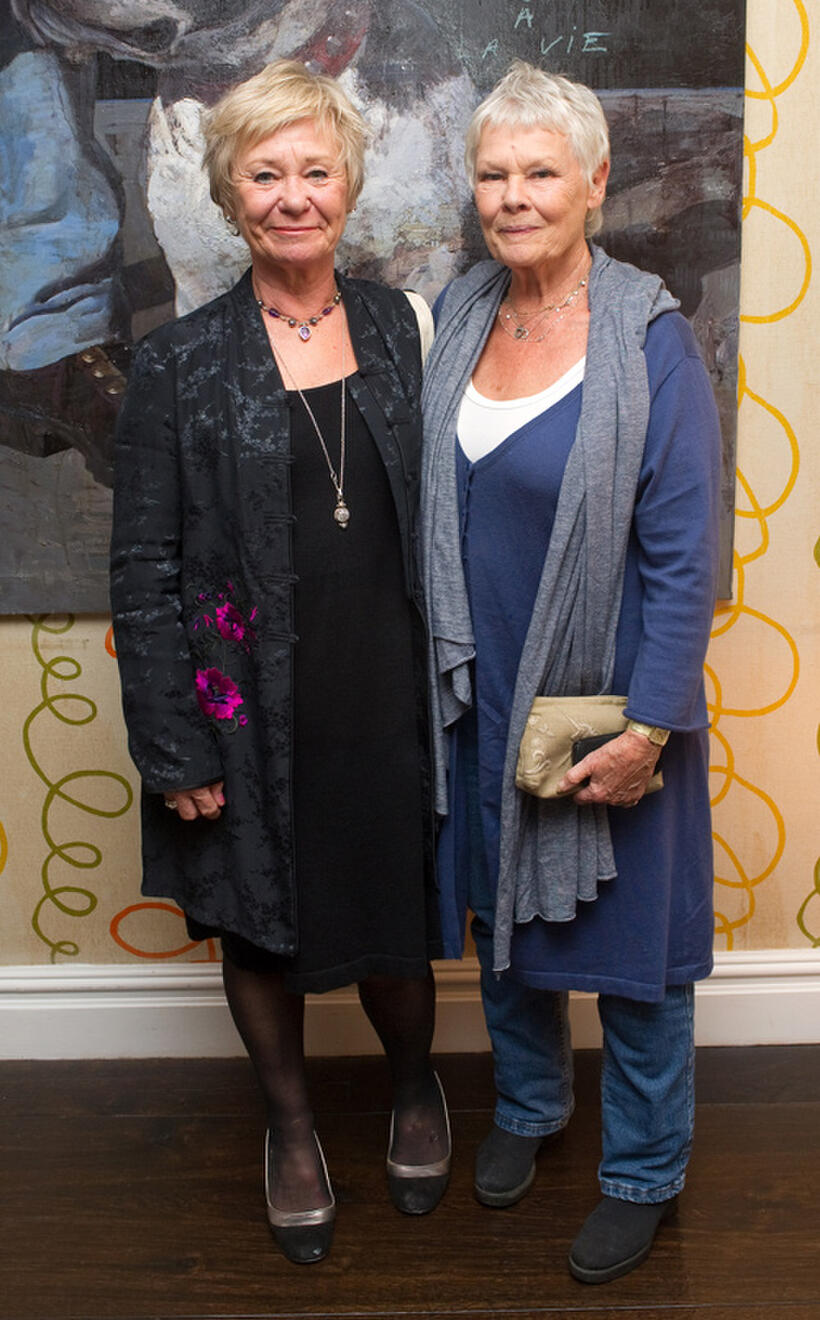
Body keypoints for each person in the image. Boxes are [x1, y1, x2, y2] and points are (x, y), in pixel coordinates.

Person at [110, 59, 449, 1266]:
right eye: (266, 173)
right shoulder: (178, 363)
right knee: (259, 927)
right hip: (240, 705)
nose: (293, 195)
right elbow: (141, 566)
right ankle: (294, 1126)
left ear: (349, 183)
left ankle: (415, 1087)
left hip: (389, 682)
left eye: (315, 170)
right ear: (228, 192)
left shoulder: (410, 331)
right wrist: (172, 738)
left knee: (394, 911)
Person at [421, 61, 721, 1285]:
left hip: (605, 705)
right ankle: (530, 1110)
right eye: (493, 172)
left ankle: (644, 1168)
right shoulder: (450, 319)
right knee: (504, 929)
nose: (513, 194)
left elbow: (682, 558)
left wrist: (649, 726)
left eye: (540, 170)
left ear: (594, 182)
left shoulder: (651, 341)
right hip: (481, 695)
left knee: (632, 958)